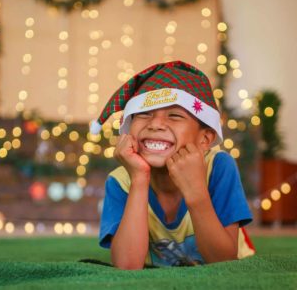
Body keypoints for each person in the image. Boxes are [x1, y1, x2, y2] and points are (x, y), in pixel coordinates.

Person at [90, 61, 255, 269]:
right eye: (144, 113)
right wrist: (139, 179)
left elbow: (224, 263)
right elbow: (127, 266)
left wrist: (195, 191)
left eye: (175, 115)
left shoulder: (219, 167)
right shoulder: (120, 181)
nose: (155, 124)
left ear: (204, 139)